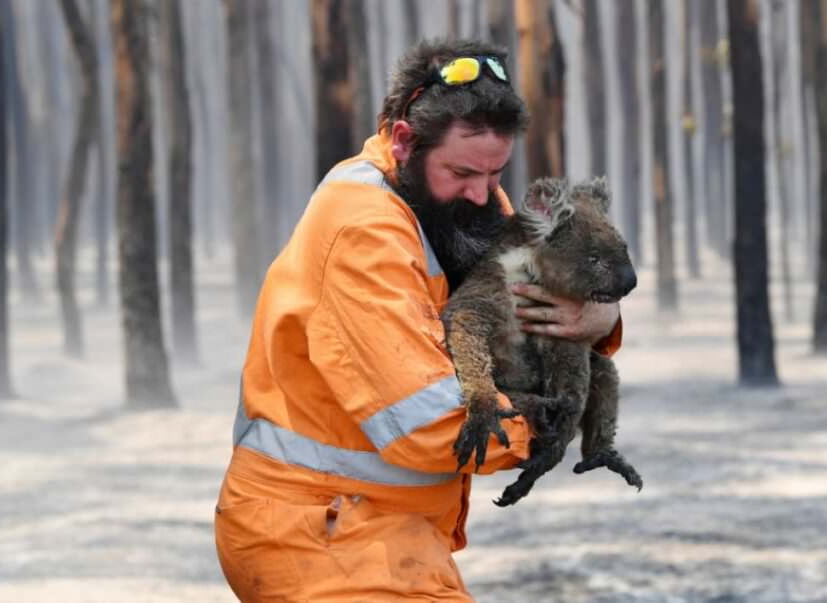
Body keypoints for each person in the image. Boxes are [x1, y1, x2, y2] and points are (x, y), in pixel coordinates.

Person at [214, 39, 623, 602]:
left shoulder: (462, 201)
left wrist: (601, 318)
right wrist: (552, 421)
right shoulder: (363, 230)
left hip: (386, 529)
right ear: (406, 142)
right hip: (318, 532)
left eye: (496, 173)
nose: (483, 194)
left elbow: (541, 305)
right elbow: (426, 423)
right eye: (462, 172)